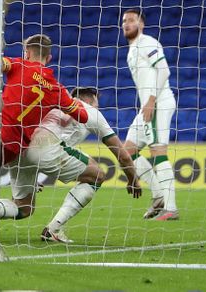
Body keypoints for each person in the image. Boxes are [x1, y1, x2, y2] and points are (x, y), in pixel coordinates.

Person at [0, 18, 137, 238]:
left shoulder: (17, 65)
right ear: (50, 58)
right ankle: (47, 226)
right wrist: (67, 103)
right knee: (88, 179)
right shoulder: (57, 89)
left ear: (26, 53)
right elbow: (82, 115)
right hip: (21, 146)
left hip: (13, 145)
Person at [36, 86, 141, 243]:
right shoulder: (91, 112)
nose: (98, 106)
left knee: (23, 209)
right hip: (53, 152)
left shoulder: (54, 105)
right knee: (97, 175)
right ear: (89, 99)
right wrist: (133, 180)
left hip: (25, 150)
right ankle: (53, 228)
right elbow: (123, 156)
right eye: (97, 101)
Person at [120, 8, 179, 221]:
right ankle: (158, 197)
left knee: (158, 152)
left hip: (157, 103)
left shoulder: (147, 42)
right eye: (124, 21)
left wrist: (151, 100)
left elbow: (164, 70)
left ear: (141, 24)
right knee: (126, 152)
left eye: (132, 20)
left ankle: (170, 208)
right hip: (147, 106)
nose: (126, 24)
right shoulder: (132, 48)